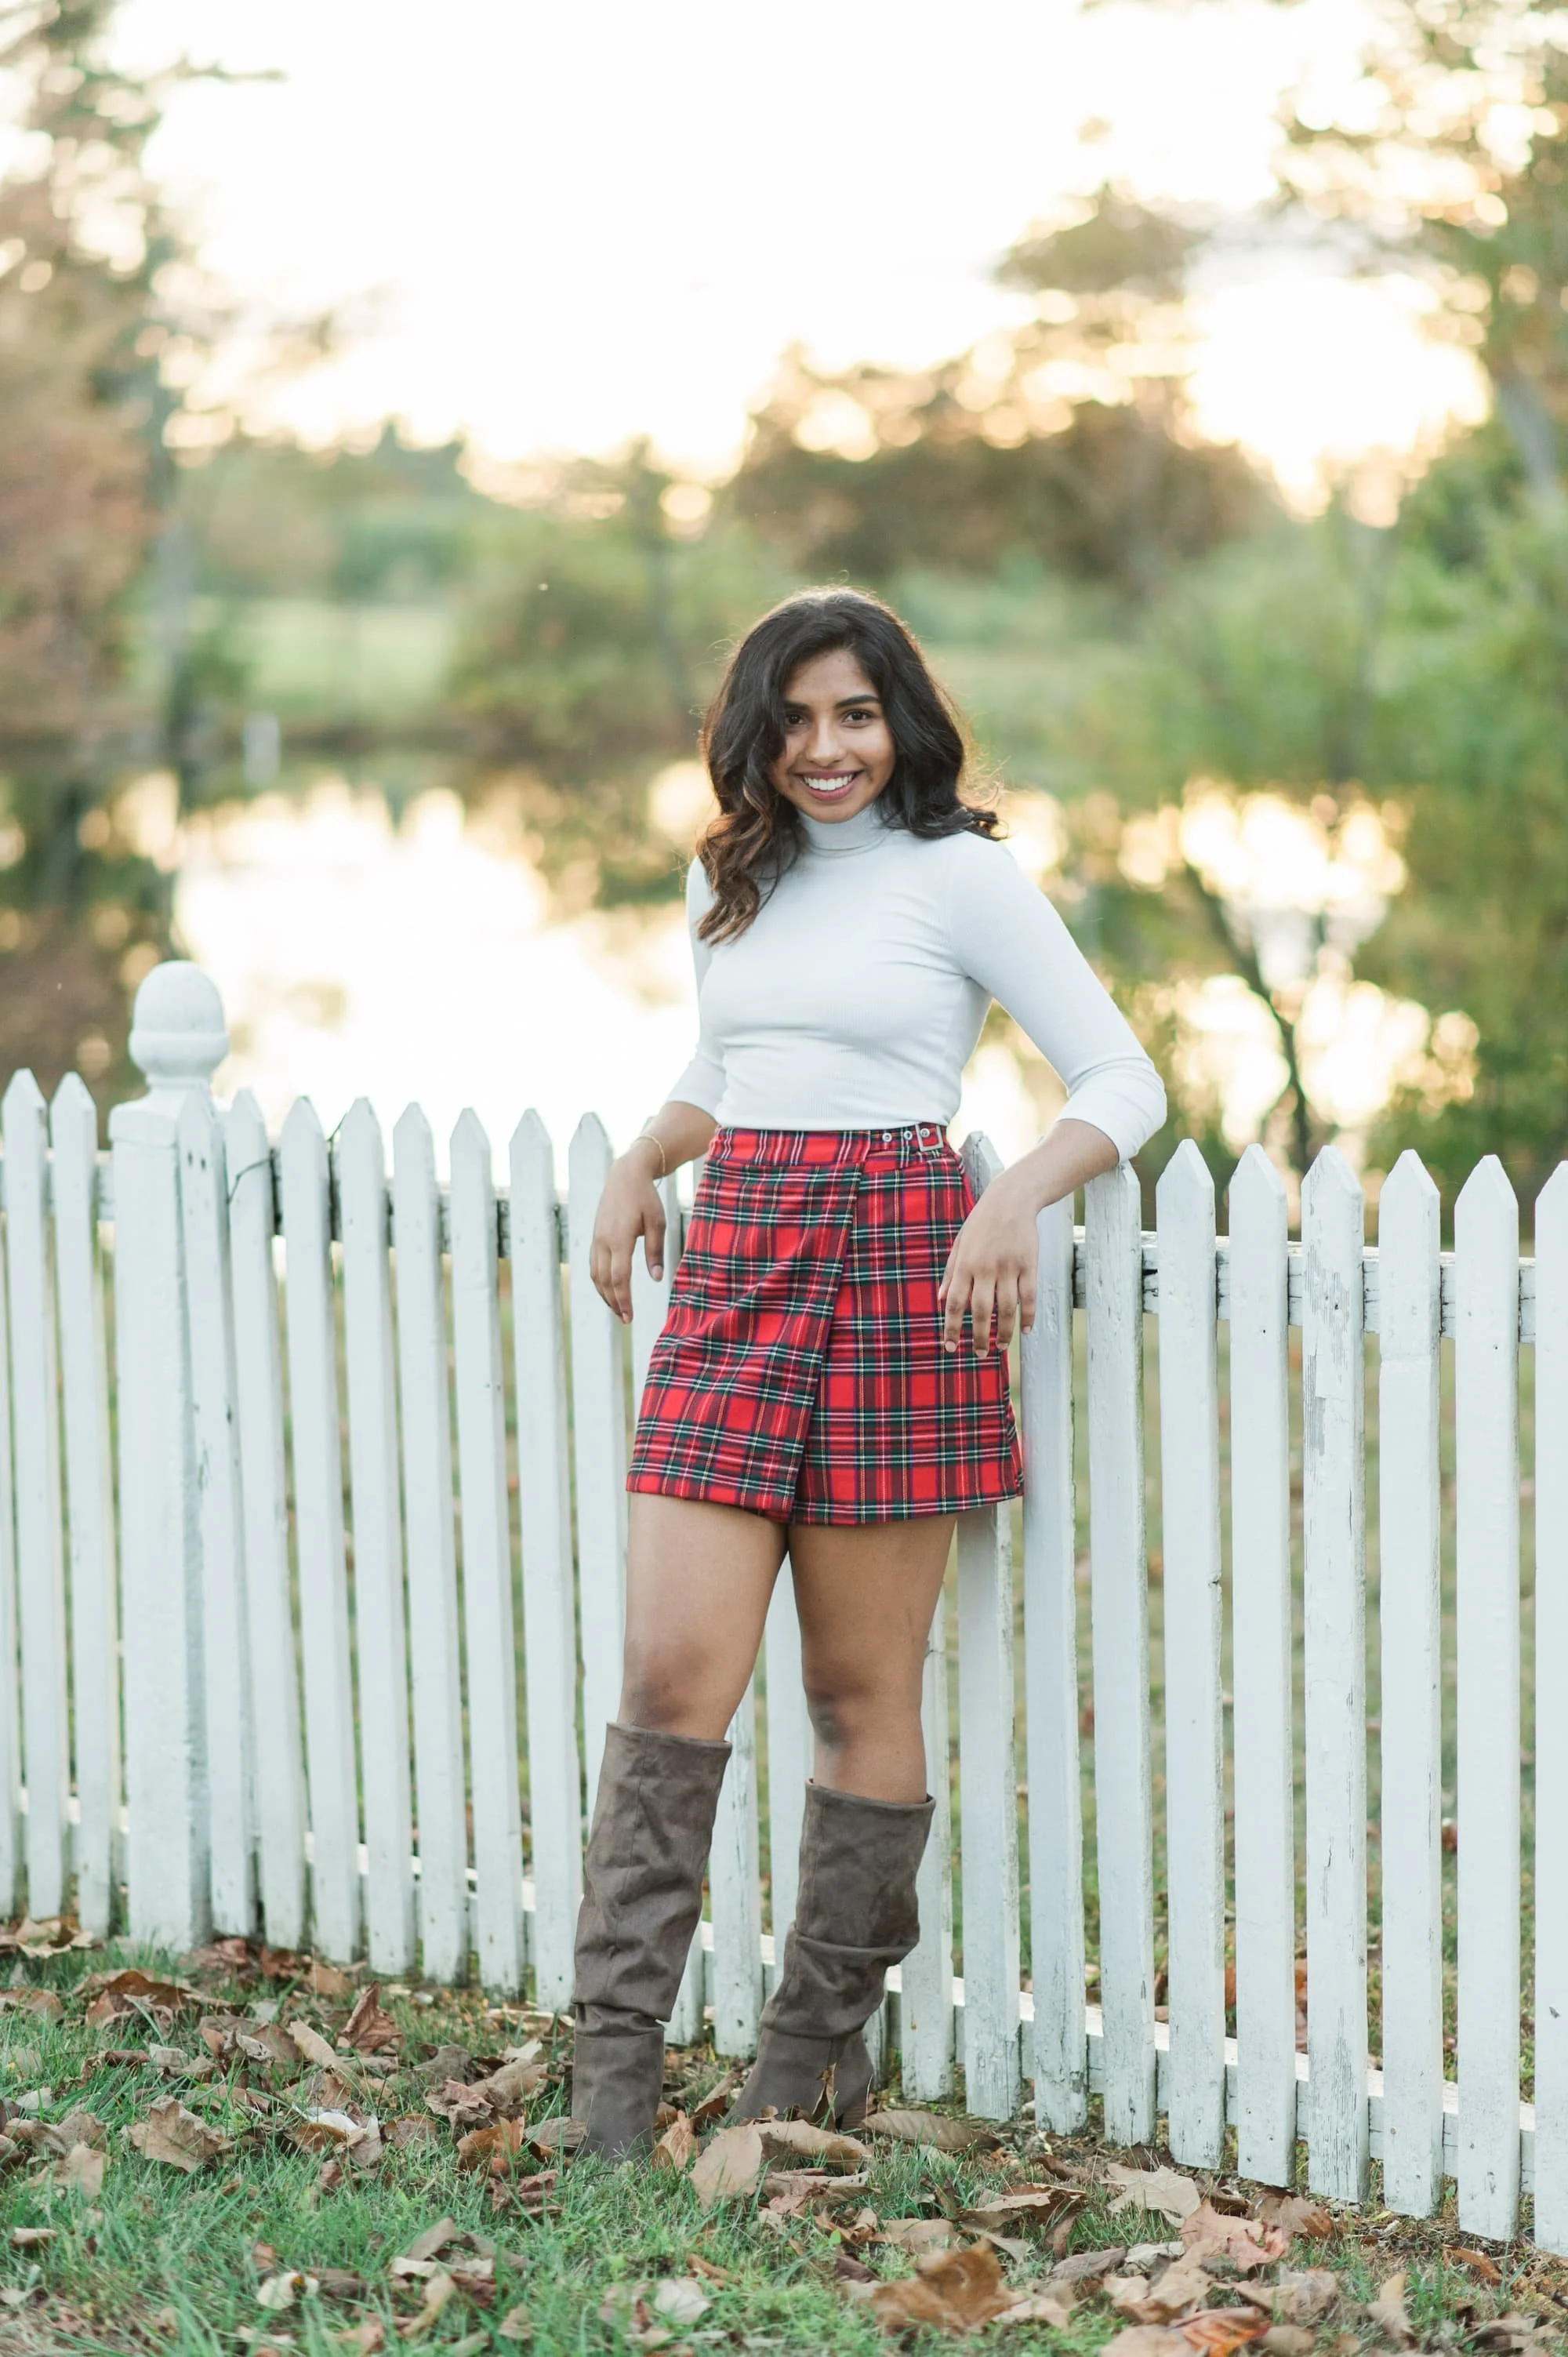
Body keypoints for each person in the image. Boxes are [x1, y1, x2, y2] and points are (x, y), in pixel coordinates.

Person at [571, 587, 1166, 2159]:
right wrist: (648, 1149)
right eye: (791, 718)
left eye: (852, 713)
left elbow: (1124, 1078)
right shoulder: (733, 883)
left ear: (899, 717)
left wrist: (1016, 1192)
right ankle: (610, 2085)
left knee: (855, 1692)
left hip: (905, 1269)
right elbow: (735, 1068)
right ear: (750, 734)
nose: (822, 749)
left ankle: (806, 2066)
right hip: (743, 1268)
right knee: (665, 1683)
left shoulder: (959, 877)